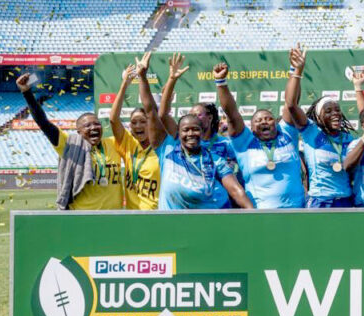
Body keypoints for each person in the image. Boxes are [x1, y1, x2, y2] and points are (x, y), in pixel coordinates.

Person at [133, 54, 252, 210]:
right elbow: (151, 112)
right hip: (173, 224)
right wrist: (142, 77)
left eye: (195, 129)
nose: (190, 134)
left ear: (202, 132)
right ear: (178, 132)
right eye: (185, 130)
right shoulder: (167, 149)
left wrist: (253, 213)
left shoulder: (214, 159)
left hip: (210, 219)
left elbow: (236, 191)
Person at [16, 72, 123, 210]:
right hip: (82, 219)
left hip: (113, 218)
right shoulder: (70, 144)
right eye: (87, 126)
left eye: (97, 124)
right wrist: (27, 93)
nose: (93, 127)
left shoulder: (114, 143)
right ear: (78, 132)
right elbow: (43, 123)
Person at [216, 62, 305, 209]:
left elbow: (292, 103)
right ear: (251, 128)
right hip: (261, 214)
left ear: (276, 123)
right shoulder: (244, 142)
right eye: (258, 120)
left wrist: (294, 71)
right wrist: (221, 82)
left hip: (296, 212)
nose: (264, 121)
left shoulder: (287, 133)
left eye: (269, 118)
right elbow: (231, 113)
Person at [284, 45, 357, 208]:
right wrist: (297, 71)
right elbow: (291, 105)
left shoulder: (347, 138)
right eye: (328, 110)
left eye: (337, 110)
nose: (335, 114)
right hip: (320, 201)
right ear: (318, 116)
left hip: (346, 200)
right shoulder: (312, 132)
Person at [158, 53, 242, 185]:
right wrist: (172, 79)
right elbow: (163, 115)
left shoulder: (226, 144)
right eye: (191, 115)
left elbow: (236, 171)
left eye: (198, 115)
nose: (193, 119)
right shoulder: (183, 139)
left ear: (210, 117)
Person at [109, 64, 160, 210]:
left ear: (151, 124)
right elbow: (113, 119)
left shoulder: (161, 147)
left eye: (143, 122)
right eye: (133, 122)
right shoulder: (128, 143)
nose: (138, 126)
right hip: (133, 216)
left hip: (157, 214)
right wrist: (125, 84)